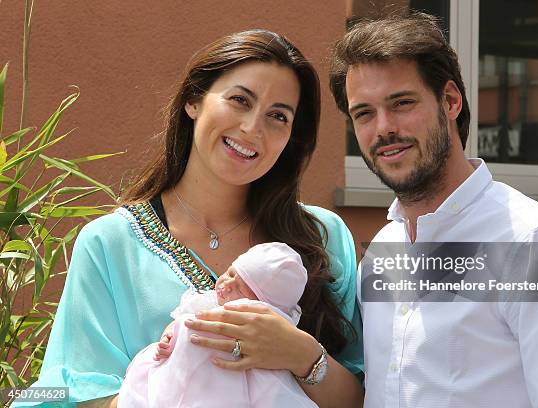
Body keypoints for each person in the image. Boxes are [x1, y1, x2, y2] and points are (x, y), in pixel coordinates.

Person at [13, 29, 363, 408]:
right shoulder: (109, 244)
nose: (252, 128)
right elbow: (69, 394)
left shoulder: (322, 237)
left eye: (278, 116)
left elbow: (364, 398)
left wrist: (300, 354)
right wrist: (173, 375)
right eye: (239, 100)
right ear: (194, 100)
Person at [328, 12, 538, 408]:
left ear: (450, 101)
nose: (383, 128)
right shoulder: (381, 253)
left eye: (402, 103)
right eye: (364, 113)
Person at [118, 242, 318, 408]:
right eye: (230, 273)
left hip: (237, 383)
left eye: (239, 288)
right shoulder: (206, 301)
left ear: (261, 305)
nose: (226, 284)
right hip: (186, 371)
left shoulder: (261, 322)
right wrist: (168, 338)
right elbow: (181, 321)